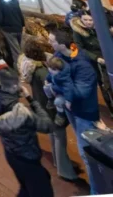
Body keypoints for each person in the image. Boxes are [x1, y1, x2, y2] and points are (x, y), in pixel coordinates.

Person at [0, 69, 55, 197]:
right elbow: (47, 126)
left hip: (10, 152)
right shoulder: (21, 114)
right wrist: (31, 99)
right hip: (27, 156)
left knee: (26, 187)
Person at [49, 25, 101, 194]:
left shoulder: (83, 65)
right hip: (72, 110)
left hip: (84, 113)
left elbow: (82, 92)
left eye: (51, 41)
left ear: (61, 44)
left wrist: (60, 83)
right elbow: (53, 74)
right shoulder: (60, 55)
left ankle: (98, 190)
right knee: (84, 150)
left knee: (88, 154)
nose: (49, 43)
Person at [20, 38, 78, 181]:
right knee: (59, 137)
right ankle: (65, 171)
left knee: (53, 136)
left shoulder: (30, 67)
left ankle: (57, 162)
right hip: (50, 108)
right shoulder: (42, 71)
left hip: (41, 106)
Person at [71, 10, 113, 113]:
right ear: (80, 19)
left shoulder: (100, 27)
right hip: (95, 62)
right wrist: (95, 58)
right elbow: (80, 49)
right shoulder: (78, 32)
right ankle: (112, 109)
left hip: (107, 57)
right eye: (85, 19)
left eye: (90, 19)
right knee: (105, 85)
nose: (88, 22)